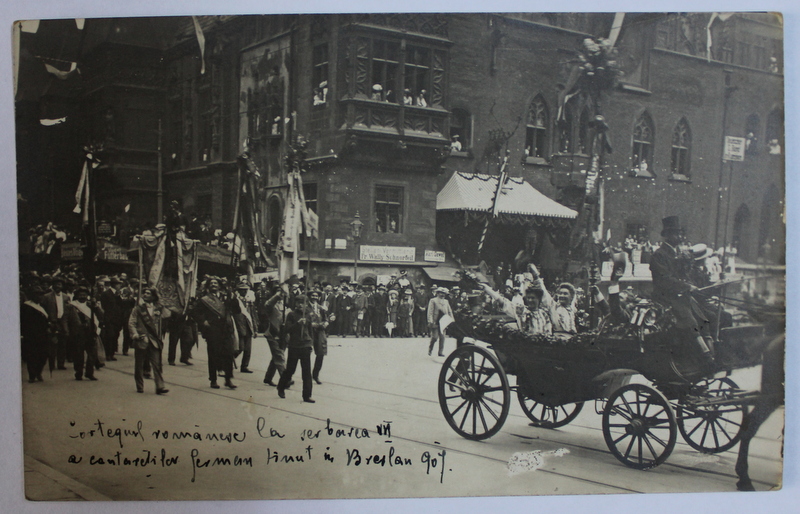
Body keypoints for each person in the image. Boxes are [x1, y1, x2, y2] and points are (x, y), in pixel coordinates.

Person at [649, 216, 715, 368]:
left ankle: (710, 353)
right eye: (675, 234)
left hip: (681, 296)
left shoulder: (678, 253)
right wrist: (687, 287)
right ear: (667, 235)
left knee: (704, 318)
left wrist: (690, 286)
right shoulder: (659, 255)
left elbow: (684, 275)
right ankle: (705, 356)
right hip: (665, 297)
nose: (679, 237)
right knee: (690, 322)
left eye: (680, 234)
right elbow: (664, 281)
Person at [192, 278, 237, 389]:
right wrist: (203, 321)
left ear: (219, 286)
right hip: (213, 330)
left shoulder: (225, 296)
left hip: (226, 329)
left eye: (215, 283)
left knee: (229, 354)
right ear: (208, 286)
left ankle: (228, 379)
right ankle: (213, 380)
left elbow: (236, 310)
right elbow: (195, 312)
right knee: (213, 355)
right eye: (211, 283)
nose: (213, 284)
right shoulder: (204, 300)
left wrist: (233, 297)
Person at [128, 287, 170, 394]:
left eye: (148, 293)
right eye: (144, 293)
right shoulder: (138, 309)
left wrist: (160, 302)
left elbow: (168, 314)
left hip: (154, 340)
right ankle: (139, 386)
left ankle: (160, 386)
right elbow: (131, 323)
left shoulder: (159, 308)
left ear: (153, 296)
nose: (145, 295)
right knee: (139, 365)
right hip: (142, 339)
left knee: (157, 364)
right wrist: (135, 335)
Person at [277, 295, 315, 403]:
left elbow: (310, 330)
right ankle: (281, 387)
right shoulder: (291, 315)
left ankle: (307, 395)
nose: (300, 305)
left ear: (307, 304)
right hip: (294, 345)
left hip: (305, 345)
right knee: (290, 370)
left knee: (307, 372)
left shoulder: (308, 314)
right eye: (298, 302)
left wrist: (311, 343)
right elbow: (287, 329)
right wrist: (298, 324)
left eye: (303, 303)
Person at [66, 286, 99, 381]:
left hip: (91, 332)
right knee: (78, 355)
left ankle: (89, 373)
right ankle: (79, 372)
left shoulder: (90, 305)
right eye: (80, 295)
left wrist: (96, 306)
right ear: (77, 295)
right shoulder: (71, 306)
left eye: (84, 294)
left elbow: (101, 315)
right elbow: (66, 319)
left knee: (92, 354)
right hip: (78, 333)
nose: (82, 296)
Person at [21, 286, 50, 383]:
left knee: (43, 355)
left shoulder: (43, 306)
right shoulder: (26, 306)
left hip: (43, 335)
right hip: (31, 335)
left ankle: (38, 372)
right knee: (32, 356)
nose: (39, 297)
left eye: (41, 295)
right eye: (37, 295)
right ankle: (32, 375)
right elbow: (24, 322)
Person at [41, 276, 69, 370]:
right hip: (52, 322)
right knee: (52, 344)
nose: (58, 286)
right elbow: (43, 310)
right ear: (52, 285)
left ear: (62, 286)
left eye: (59, 284)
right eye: (56, 284)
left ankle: (61, 364)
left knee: (63, 343)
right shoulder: (47, 296)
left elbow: (68, 310)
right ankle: (51, 364)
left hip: (63, 322)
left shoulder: (66, 297)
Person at [262, 285, 288, 387]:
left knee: (276, 357)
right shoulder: (271, 304)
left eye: (282, 292)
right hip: (273, 334)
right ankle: (285, 379)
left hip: (283, 335)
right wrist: (277, 295)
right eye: (278, 292)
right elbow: (268, 305)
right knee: (279, 356)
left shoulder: (285, 305)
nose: (281, 294)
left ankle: (268, 378)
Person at [232, 281, 257, 373]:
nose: (244, 292)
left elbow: (252, 315)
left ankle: (244, 366)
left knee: (248, 350)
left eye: (246, 290)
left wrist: (255, 328)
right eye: (242, 290)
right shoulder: (235, 300)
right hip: (238, 326)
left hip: (248, 326)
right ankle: (227, 361)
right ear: (238, 291)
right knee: (240, 348)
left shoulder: (249, 301)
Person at [307, 290, 329, 385]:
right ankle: (306, 376)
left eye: (316, 296)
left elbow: (326, 319)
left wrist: (326, 324)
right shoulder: (306, 308)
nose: (315, 297)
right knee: (305, 354)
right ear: (309, 296)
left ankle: (315, 375)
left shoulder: (321, 308)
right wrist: (311, 324)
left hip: (320, 332)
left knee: (321, 353)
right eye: (313, 295)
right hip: (309, 332)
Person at [427, 287, 454, 356]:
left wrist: (452, 319)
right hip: (435, 321)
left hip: (444, 321)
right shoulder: (433, 300)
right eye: (441, 293)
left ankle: (440, 352)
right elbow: (430, 311)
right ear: (438, 293)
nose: (442, 294)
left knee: (442, 337)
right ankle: (430, 348)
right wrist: (430, 320)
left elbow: (449, 311)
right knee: (435, 337)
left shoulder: (446, 301)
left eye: (444, 293)